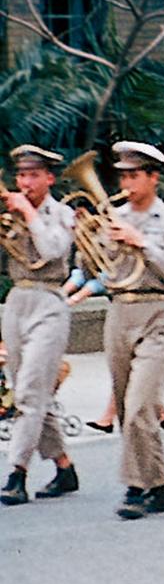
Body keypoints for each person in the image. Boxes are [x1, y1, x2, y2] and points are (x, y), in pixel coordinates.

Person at [101, 141, 164, 520]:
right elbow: (97, 269)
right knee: (125, 406)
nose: (127, 182)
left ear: (153, 178)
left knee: (140, 405)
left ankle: (139, 486)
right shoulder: (114, 216)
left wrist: (142, 243)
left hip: (156, 311)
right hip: (119, 310)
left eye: (135, 175)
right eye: (123, 175)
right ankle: (158, 487)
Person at [0, 145, 79, 506]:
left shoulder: (62, 214)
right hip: (17, 301)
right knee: (32, 390)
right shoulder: (11, 212)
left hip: (49, 301)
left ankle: (17, 472)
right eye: (21, 175)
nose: (25, 182)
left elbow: (52, 250)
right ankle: (64, 466)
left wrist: (28, 212)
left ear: (49, 178)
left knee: (29, 394)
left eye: (33, 175)